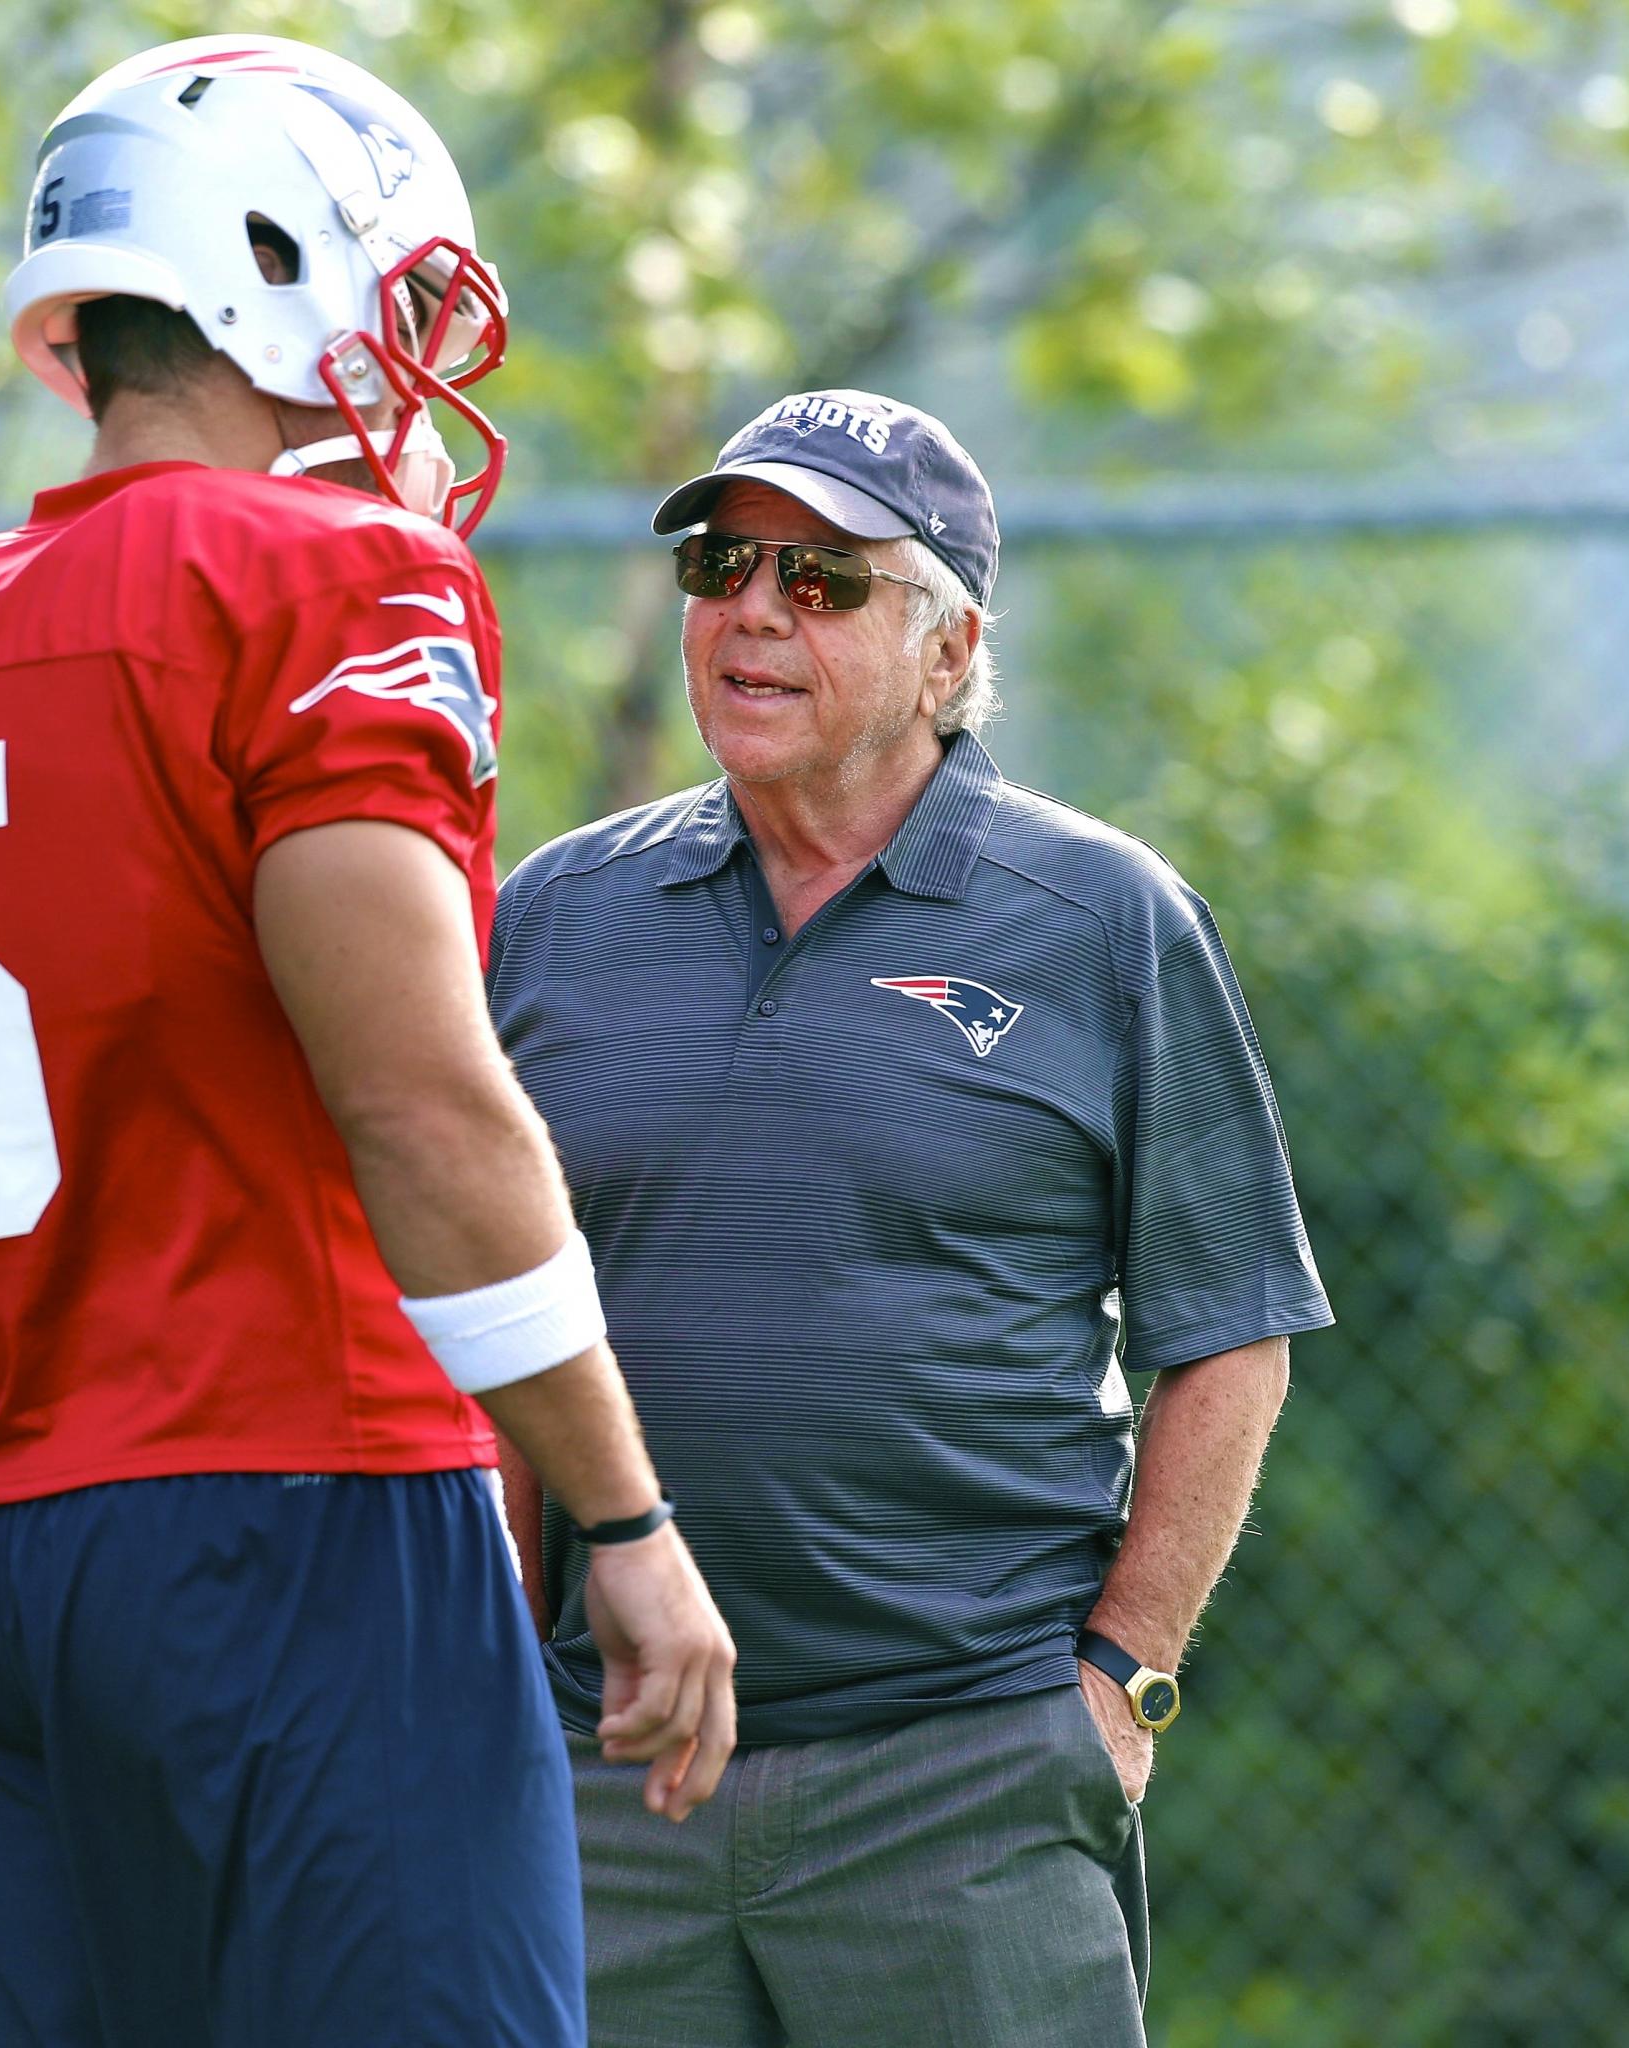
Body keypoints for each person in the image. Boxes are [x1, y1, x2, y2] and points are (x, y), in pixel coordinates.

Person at [0, 39, 733, 2046]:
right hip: (302, 1517)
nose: (403, 376)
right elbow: (419, 1098)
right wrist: (623, 1521)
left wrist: (18, 1462)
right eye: (389, 307)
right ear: (268, 268)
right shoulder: (320, 576)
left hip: (1, 1556)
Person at [488, 388, 1330, 2047]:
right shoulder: (555, 917)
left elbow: (1228, 1334)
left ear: (948, 650)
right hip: (608, 1782)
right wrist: (494, 1686)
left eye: (823, 582)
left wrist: (1122, 1687)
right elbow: (488, 1317)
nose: (750, 611)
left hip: (961, 1788)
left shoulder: (1099, 919)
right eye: (725, 565)